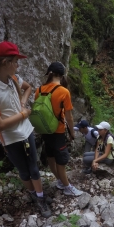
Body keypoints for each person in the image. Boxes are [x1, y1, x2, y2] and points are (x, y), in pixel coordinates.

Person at [0, 41, 51, 217]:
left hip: (26, 131)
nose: (18, 65)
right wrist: (24, 114)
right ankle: (34, 195)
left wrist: (22, 103)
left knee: (33, 167)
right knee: (23, 170)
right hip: (11, 137)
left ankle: (41, 199)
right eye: (15, 61)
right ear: (5, 62)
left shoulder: (14, 79)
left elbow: (28, 88)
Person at [35, 62, 83, 196]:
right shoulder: (63, 91)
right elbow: (69, 117)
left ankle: (59, 181)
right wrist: (72, 133)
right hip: (58, 131)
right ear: (62, 76)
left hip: (44, 129)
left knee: (50, 156)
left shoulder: (39, 90)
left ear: (49, 74)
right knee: (61, 160)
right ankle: (67, 187)